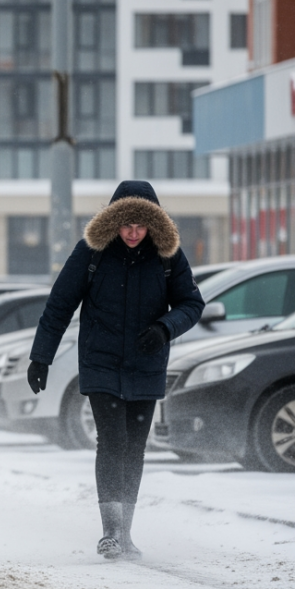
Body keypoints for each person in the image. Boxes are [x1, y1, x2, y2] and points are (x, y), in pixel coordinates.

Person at [27, 181, 204, 561]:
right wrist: (41, 356)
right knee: (112, 441)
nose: (133, 233)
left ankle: (126, 532)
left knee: (135, 448)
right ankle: (110, 533)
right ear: (113, 222)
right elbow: (59, 305)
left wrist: (164, 328)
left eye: (141, 226)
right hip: (101, 363)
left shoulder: (168, 256)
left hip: (146, 365)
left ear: (154, 225)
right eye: (126, 225)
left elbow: (192, 303)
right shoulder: (90, 253)